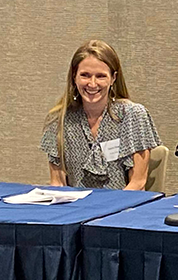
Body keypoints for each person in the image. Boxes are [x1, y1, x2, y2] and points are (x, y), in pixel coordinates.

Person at [41, 40, 161, 190]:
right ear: (74, 77)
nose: (92, 84)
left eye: (100, 76)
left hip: (121, 207)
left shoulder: (133, 115)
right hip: (76, 209)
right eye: (85, 75)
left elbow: (138, 183)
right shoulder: (58, 119)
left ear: (113, 78)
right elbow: (57, 184)